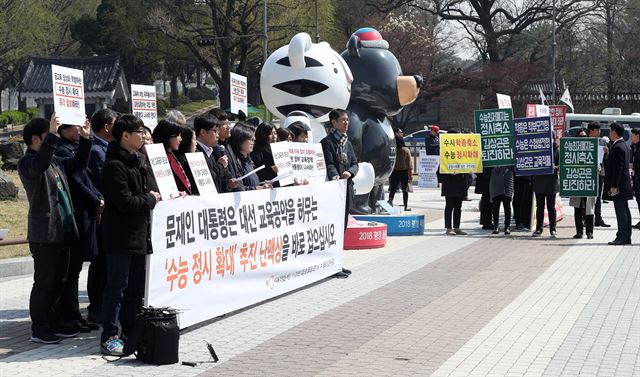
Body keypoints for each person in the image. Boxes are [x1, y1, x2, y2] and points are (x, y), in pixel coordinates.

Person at [18, 113, 92, 344]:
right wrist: (52, 134)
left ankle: (55, 320)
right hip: (45, 234)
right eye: (48, 136)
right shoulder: (28, 162)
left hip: (65, 231)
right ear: (35, 139)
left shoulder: (55, 161)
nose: (55, 140)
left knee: (61, 280)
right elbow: (38, 165)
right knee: (44, 282)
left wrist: (86, 139)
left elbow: (78, 164)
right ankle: (39, 327)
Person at [100, 114, 161, 356]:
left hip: (139, 234)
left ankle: (130, 331)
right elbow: (125, 202)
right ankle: (109, 336)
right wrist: (151, 199)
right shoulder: (114, 165)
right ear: (125, 136)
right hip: (120, 237)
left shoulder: (137, 160)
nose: (144, 136)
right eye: (139, 132)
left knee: (135, 289)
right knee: (117, 287)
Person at [54, 123, 104, 333]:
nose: (81, 130)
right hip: (76, 215)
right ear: (63, 129)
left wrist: (98, 198)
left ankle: (74, 316)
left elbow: (86, 177)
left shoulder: (73, 148)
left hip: (86, 213)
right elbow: (75, 180)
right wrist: (95, 200)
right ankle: (68, 317)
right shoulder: (61, 150)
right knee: (70, 270)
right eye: (77, 127)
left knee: (74, 270)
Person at [86, 108, 118, 327]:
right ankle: (96, 307)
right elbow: (101, 182)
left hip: (110, 215)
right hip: (101, 214)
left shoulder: (107, 148)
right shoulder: (97, 150)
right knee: (100, 264)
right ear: (107, 127)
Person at [321, 109, 358, 279]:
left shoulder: (347, 143)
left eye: (347, 120)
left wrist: (350, 172)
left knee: (342, 227)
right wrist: (334, 173)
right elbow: (328, 163)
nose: (346, 123)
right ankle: (330, 264)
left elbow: (355, 164)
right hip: (333, 190)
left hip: (346, 189)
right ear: (333, 122)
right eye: (343, 120)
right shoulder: (326, 142)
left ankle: (337, 263)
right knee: (332, 228)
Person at [606, 122, 633, 245]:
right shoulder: (624, 146)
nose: (609, 134)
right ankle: (626, 236)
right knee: (625, 210)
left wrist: (614, 186)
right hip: (625, 184)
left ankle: (621, 237)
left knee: (621, 211)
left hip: (619, 185)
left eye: (610, 131)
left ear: (614, 132)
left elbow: (617, 169)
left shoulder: (617, 147)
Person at [438, 129, 469, 236]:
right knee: (449, 206)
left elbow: (469, 165)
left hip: (460, 182)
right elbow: (439, 171)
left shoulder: (462, 152)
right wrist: (448, 172)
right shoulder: (445, 153)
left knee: (458, 207)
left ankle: (457, 227)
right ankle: (448, 228)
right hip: (449, 183)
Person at [227, 123, 272, 191]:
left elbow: (252, 183)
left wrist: (262, 184)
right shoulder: (235, 162)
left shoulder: (248, 161)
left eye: (253, 139)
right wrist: (258, 188)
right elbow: (239, 188)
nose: (254, 141)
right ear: (240, 140)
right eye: (250, 139)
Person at [569, 129, 596, 239]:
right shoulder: (571, 151)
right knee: (577, 209)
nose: (582, 139)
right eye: (580, 137)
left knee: (589, 210)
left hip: (589, 185)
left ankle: (589, 232)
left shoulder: (593, 150)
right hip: (577, 184)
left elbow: (599, 166)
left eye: (584, 137)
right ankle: (579, 231)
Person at [152, 120, 192, 195]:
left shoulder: (171, 155)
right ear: (167, 136)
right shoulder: (158, 159)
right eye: (178, 135)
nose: (181, 139)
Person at [193, 115, 231, 193]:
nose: (218, 135)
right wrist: (220, 166)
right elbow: (205, 179)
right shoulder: (195, 153)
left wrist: (229, 184)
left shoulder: (210, 150)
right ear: (203, 132)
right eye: (215, 131)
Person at [532, 135, 560, 238]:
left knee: (551, 207)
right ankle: (539, 228)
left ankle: (553, 229)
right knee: (539, 207)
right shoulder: (537, 149)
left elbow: (561, 164)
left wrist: (555, 167)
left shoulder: (556, 150)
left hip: (551, 182)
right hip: (539, 181)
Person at [587, 122, 611, 227]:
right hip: (587, 172)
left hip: (599, 172)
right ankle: (586, 219)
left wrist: (607, 152)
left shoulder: (602, 141)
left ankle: (598, 218)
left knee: (598, 196)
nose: (599, 132)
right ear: (591, 131)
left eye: (599, 130)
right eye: (597, 130)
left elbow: (607, 159)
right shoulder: (584, 141)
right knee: (586, 197)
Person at [388, 128, 413, 211]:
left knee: (393, 189)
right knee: (405, 190)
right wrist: (410, 175)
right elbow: (410, 165)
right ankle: (406, 206)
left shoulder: (393, 150)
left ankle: (390, 202)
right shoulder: (406, 150)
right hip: (404, 172)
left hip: (394, 171)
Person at [252, 122, 280, 186]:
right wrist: (271, 169)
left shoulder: (279, 149)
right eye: (270, 133)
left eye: (275, 133)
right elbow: (256, 172)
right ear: (263, 135)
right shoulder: (256, 151)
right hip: (266, 187)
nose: (274, 136)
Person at [174, 126, 199, 195]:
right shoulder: (179, 162)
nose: (196, 143)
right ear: (186, 141)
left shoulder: (197, 158)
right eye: (194, 139)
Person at [490, 166, 514, 235]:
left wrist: (509, 168)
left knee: (507, 204)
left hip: (507, 175)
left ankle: (507, 226)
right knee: (495, 204)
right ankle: (496, 226)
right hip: (495, 174)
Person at [630, 128, 640, 229]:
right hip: (636, 177)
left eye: (633, 135)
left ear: (637, 135)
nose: (631, 137)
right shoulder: (634, 147)